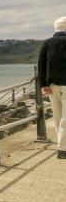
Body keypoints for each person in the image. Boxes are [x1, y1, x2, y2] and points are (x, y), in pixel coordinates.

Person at [38, 16, 66, 158]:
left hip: (52, 85)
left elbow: (41, 66)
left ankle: (60, 146)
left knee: (57, 116)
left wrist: (43, 85)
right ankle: (63, 148)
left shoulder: (47, 43)